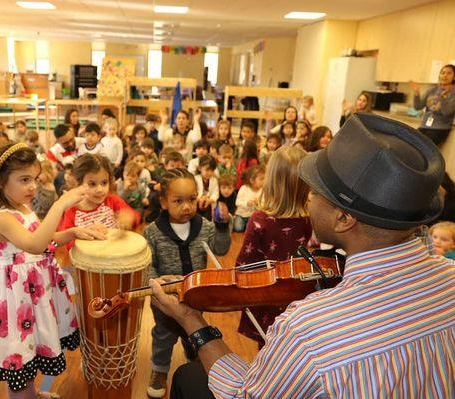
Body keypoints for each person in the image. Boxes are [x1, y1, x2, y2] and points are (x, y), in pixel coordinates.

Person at [150, 113, 453, 399]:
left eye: (314, 190)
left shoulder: (307, 330)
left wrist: (192, 321)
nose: (306, 197)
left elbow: (243, 394)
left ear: (343, 218)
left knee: (188, 376)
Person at [0, 143, 107, 398]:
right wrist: (60, 206)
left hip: (34, 291)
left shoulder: (22, 207)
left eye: (34, 179)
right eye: (24, 180)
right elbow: (35, 244)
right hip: (17, 299)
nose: (32, 186)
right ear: (0, 182)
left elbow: (41, 238)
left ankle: (32, 394)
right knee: (19, 354)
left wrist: (71, 232)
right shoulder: (2, 217)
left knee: (31, 347)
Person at [144, 168, 231, 398]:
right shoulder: (152, 232)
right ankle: (159, 370)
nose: (187, 207)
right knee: (163, 337)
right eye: (178, 201)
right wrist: (155, 281)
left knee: (194, 333)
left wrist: (222, 226)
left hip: (195, 298)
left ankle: (196, 362)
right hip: (165, 302)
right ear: (163, 202)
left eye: (192, 199)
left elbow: (221, 249)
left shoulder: (204, 227)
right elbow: (147, 266)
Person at [235, 146, 312, 344]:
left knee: (266, 346)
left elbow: (244, 264)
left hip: (266, 295)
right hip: (297, 297)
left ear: (271, 181)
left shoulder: (259, 219)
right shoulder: (309, 218)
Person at [57, 154, 139, 249]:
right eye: (92, 184)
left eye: (104, 183)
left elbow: (135, 216)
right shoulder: (71, 211)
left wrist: (129, 216)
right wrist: (84, 235)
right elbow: (69, 246)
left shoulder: (112, 200)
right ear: (78, 183)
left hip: (115, 254)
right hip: (88, 261)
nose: (100, 189)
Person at [410, 64, 455, 146]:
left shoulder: (453, 94)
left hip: (439, 128)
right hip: (425, 126)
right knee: (408, 143)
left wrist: (443, 99)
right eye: (443, 72)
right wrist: (416, 94)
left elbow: (447, 112)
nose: (445, 75)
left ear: (454, 77)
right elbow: (418, 107)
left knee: (421, 149)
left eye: (449, 73)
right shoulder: (431, 90)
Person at [234, 165, 266, 233]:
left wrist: (258, 203)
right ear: (251, 180)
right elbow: (237, 202)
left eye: (264, 178)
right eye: (261, 179)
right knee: (238, 228)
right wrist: (247, 203)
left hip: (254, 216)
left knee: (254, 228)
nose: (264, 181)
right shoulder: (244, 188)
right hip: (242, 215)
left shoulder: (263, 190)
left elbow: (264, 204)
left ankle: (248, 226)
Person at [195, 155, 219, 221]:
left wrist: (209, 200)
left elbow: (215, 194)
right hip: (197, 203)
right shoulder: (195, 179)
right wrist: (200, 199)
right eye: (207, 170)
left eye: (212, 170)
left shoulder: (214, 180)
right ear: (200, 168)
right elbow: (193, 193)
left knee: (208, 219)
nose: (209, 173)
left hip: (209, 204)